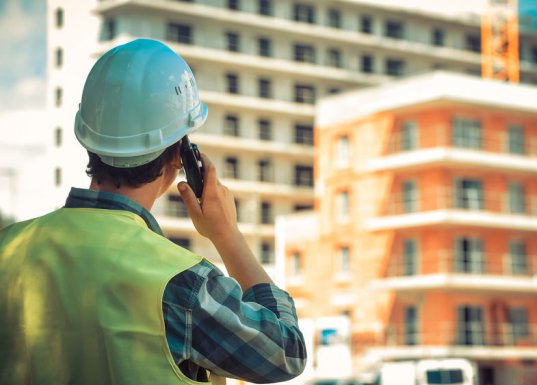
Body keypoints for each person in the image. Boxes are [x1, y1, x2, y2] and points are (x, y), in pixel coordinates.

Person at [0, 39, 307, 384]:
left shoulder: (7, 248)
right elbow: (286, 352)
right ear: (180, 155)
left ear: (88, 140)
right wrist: (228, 236)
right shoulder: (183, 284)